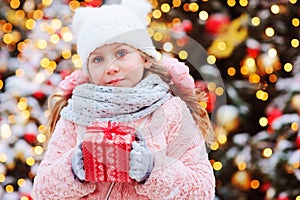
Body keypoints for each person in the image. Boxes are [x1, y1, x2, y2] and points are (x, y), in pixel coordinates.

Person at [31, 0, 216, 199]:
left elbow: (202, 190)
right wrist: (74, 168)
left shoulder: (172, 112)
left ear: (144, 58)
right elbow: (43, 191)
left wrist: (152, 168)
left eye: (121, 53)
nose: (111, 67)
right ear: (88, 71)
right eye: (98, 59)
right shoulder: (75, 116)